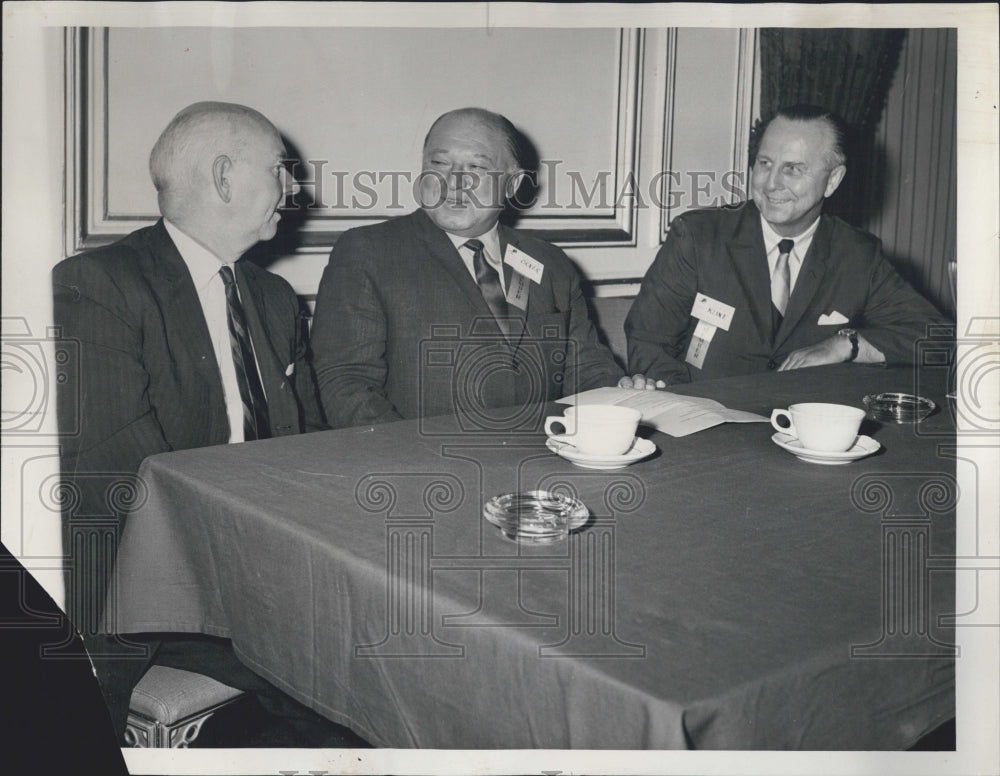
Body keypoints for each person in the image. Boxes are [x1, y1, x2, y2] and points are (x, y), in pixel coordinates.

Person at [52, 101, 330, 744]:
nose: (295, 188)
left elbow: (310, 446)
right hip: (152, 585)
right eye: (281, 170)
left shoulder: (273, 297)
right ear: (226, 177)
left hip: (263, 562)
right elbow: (121, 475)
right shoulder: (97, 285)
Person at [310, 107, 626, 429]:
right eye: (439, 164)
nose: (454, 182)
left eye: (476, 166)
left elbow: (585, 367)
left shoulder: (550, 263)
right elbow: (347, 387)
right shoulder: (370, 252)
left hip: (544, 459)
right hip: (428, 465)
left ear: (513, 184)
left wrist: (624, 394)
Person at [624, 104, 945, 388]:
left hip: (808, 434)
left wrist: (847, 344)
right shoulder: (697, 237)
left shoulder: (858, 255)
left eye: (792, 169)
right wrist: (691, 407)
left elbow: (942, 338)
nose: (771, 182)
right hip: (707, 430)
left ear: (833, 180)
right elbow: (648, 343)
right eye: (765, 163)